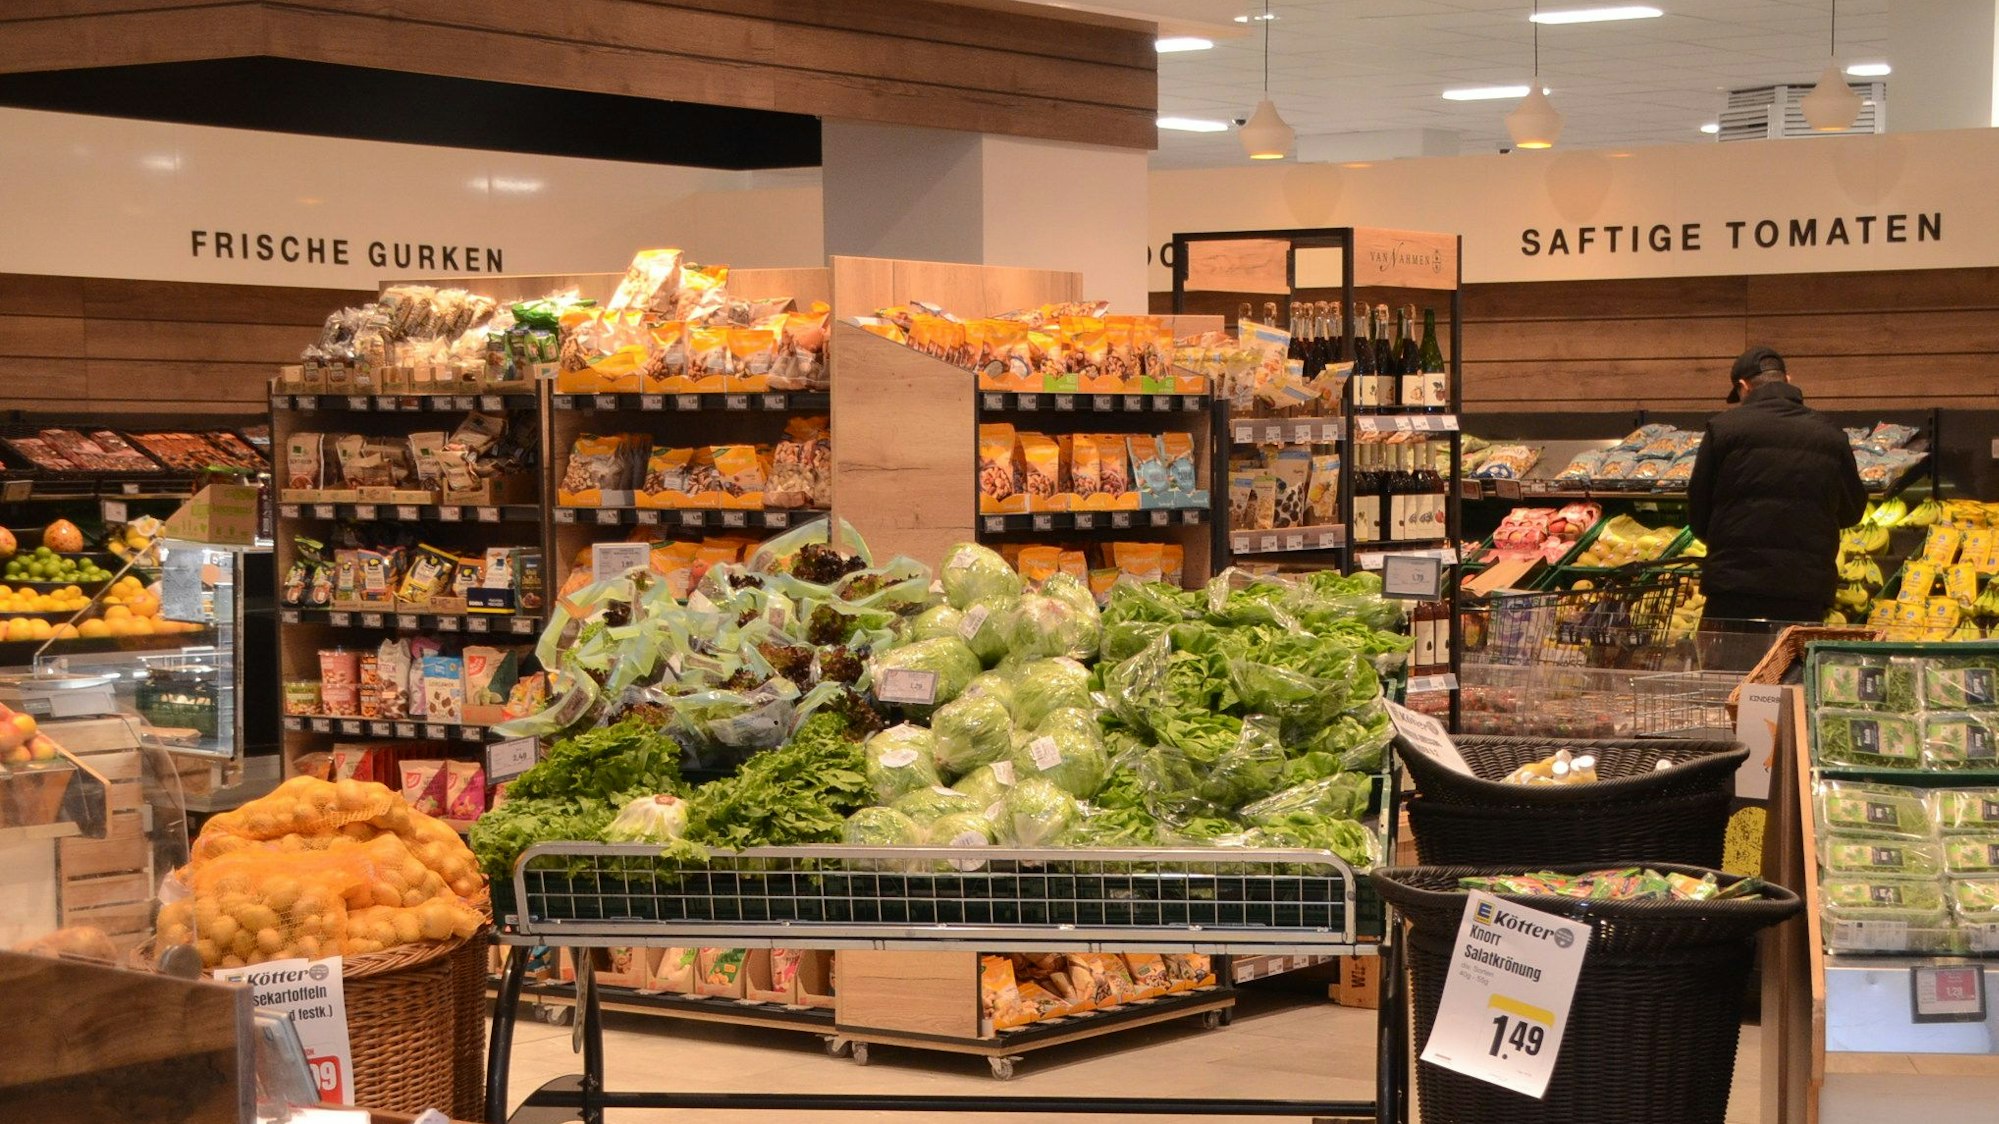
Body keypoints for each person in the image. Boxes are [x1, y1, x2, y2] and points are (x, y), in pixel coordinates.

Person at [1687, 345, 1867, 627]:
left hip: (1733, 587)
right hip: (1804, 590)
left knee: (1724, 669)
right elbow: (1852, 512)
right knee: (1789, 669)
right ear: (1788, 379)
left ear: (1743, 386)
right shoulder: (1830, 434)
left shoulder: (1722, 428)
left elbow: (1698, 513)